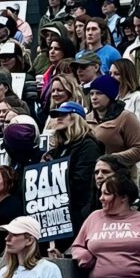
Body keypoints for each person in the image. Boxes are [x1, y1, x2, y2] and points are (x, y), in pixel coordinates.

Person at [45, 102, 101, 247]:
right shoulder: (58, 149)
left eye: (63, 114)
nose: (58, 118)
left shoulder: (88, 145)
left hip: (77, 211)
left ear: (76, 117)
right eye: (56, 115)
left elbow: (81, 181)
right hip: (59, 213)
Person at [85, 75, 140, 184]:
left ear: (110, 95)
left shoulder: (126, 117)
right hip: (93, 179)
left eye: (99, 93)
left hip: (121, 179)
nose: (94, 97)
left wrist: (111, 158)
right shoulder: (85, 120)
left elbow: (139, 150)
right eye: (91, 93)